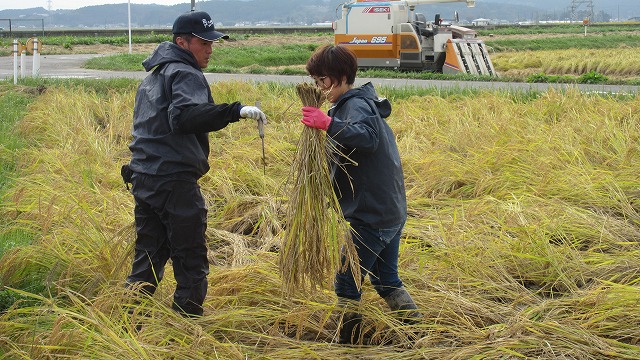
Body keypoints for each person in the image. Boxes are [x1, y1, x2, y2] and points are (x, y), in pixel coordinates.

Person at [123, 10, 267, 318]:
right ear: (182, 42)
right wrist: (234, 111)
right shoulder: (185, 74)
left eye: (212, 42)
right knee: (191, 260)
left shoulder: (153, 77)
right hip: (174, 183)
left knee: (147, 257)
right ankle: (185, 330)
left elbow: (145, 130)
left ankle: (127, 323)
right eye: (203, 43)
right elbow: (184, 117)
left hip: (145, 179)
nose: (210, 49)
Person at [301, 44, 422, 344]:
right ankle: (420, 331)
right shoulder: (356, 103)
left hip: (373, 215)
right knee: (386, 279)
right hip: (388, 209)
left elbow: (366, 138)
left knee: (346, 280)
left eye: (323, 80)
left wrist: (328, 123)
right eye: (316, 81)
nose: (320, 87)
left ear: (341, 76)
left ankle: (348, 342)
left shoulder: (356, 106)